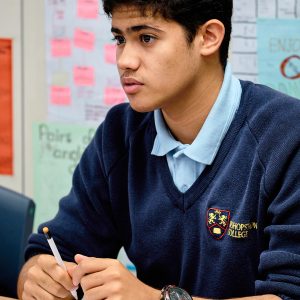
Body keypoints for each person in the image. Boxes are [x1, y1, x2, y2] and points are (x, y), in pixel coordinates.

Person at [18, 0, 300, 299]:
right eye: (120, 39)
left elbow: (289, 293)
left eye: (146, 38)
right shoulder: (119, 132)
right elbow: (52, 250)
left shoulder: (286, 135)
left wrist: (155, 298)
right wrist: (38, 276)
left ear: (208, 37)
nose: (124, 60)